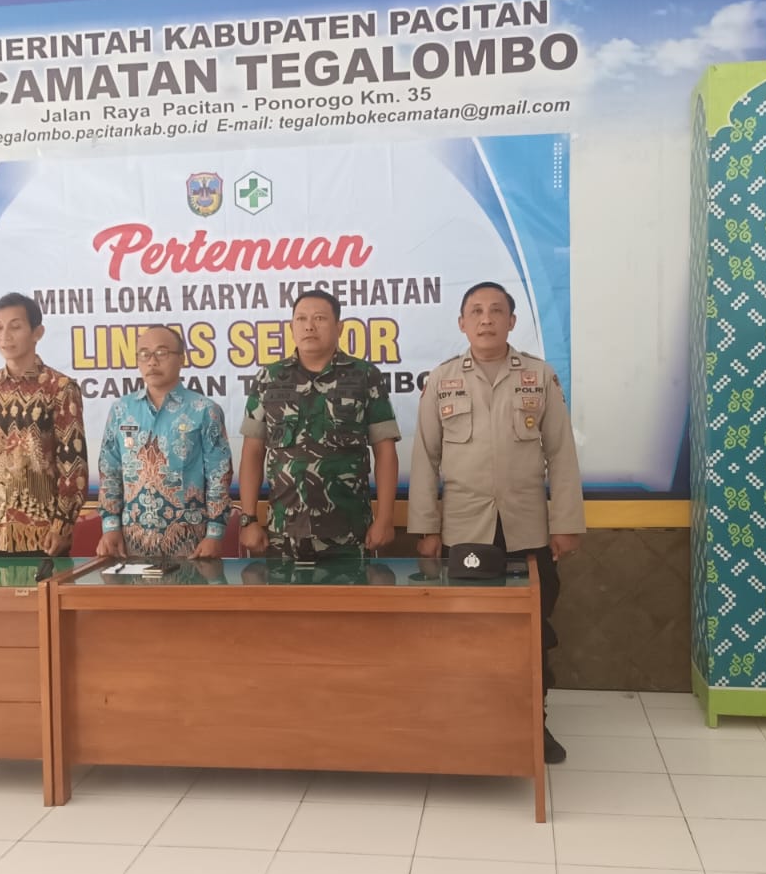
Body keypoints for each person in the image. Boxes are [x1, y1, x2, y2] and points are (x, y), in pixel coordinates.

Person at [408, 281, 584, 764]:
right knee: (467, 630)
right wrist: (426, 529)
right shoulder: (442, 379)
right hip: (465, 529)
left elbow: (561, 454)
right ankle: (471, 720)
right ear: (462, 323)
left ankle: (533, 722)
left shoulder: (539, 376)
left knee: (532, 630)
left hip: (526, 529)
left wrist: (565, 523)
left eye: (496, 310)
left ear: (512, 321)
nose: (486, 319)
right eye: (476, 311)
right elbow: (424, 458)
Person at [238, 289, 400, 560]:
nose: (309, 326)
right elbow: (252, 451)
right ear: (291, 327)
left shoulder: (365, 376)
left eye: (320, 318)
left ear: (339, 327)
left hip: (349, 531)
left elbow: (385, 452)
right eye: (301, 319)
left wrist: (385, 519)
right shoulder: (269, 378)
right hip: (284, 530)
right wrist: (248, 518)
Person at [0, 292, 88, 557]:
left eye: (15, 327)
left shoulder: (59, 388)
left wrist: (63, 524)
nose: (5, 336)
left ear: (37, 332)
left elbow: (73, 465)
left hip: (45, 535)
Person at [96, 324, 233, 558]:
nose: (152, 361)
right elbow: (109, 471)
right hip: (130, 543)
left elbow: (219, 475)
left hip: (190, 542)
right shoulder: (121, 411)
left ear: (181, 359)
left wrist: (214, 534)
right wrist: (110, 527)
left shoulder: (204, 410)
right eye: (144, 354)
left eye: (161, 353)